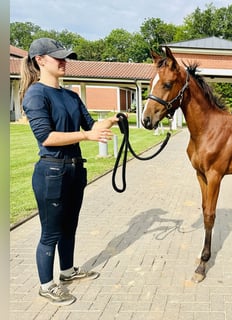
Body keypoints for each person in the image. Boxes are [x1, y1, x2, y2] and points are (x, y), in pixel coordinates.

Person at [20, 38, 120, 306]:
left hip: (75, 170)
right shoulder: (35, 94)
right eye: (58, 58)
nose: (64, 61)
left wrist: (109, 121)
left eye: (65, 57)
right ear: (40, 60)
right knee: (50, 232)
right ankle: (46, 285)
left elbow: (90, 124)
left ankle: (67, 272)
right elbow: (47, 137)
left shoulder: (71, 95)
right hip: (52, 172)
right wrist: (87, 136)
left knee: (69, 227)